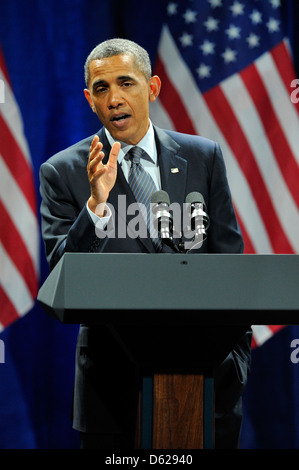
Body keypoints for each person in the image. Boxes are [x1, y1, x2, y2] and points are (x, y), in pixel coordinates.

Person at [39, 38, 252, 449]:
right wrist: (96, 208)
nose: (115, 98)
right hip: (111, 386)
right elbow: (62, 274)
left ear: (152, 88)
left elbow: (230, 264)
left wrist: (234, 362)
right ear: (89, 99)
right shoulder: (64, 171)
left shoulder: (202, 157)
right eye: (102, 89)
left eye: (126, 83)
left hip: (207, 380)